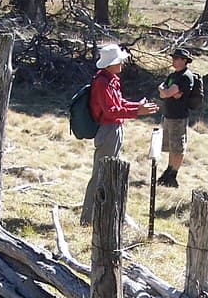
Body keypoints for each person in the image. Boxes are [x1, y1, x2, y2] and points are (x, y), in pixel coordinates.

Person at [80, 43, 159, 226]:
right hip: (108, 131)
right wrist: (137, 112)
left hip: (113, 130)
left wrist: (136, 107)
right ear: (110, 64)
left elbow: (119, 103)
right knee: (100, 173)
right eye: (119, 62)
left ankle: (108, 213)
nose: (122, 64)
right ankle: (88, 217)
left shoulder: (110, 79)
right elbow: (110, 111)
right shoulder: (102, 82)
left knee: (110, 172)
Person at [156, 48, 195, 188]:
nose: (174, 61)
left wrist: (166, 91)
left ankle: (172, 175)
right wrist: (166, 91)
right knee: (171, 147)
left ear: (185, 61)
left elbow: (166, 92)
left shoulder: (185, 76)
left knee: (178, 147)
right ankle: (169, 172)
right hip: (168, 115)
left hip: (178, 117)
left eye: (177, 58)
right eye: (173, 58)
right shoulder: (173, 75)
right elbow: (163, 92)